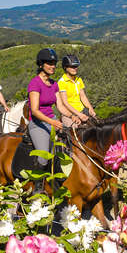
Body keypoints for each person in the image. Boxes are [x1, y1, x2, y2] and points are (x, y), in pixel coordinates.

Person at [27, 48, 80, 189]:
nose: (52, 66)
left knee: (70, 148)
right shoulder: (34, 83)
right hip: (38, 124)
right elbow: (34, 110)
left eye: (54, 63)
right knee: (44, 157)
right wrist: (52, 122)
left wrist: (71, 116)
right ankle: (37, 188)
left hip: (53, 121)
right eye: (49, 63)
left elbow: (61, 107)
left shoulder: (54, 84)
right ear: (40, 65)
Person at [58, 54, 96, 127]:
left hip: (82, 111)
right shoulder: (61, 82)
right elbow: (65, 103)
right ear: (65, 67)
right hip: (69, 114)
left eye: (76, 66)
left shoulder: (79, 80)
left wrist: (90, 109)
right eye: (72, 67)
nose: (75, 68)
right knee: (76, 129)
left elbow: (83, 96)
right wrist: (79, 115)